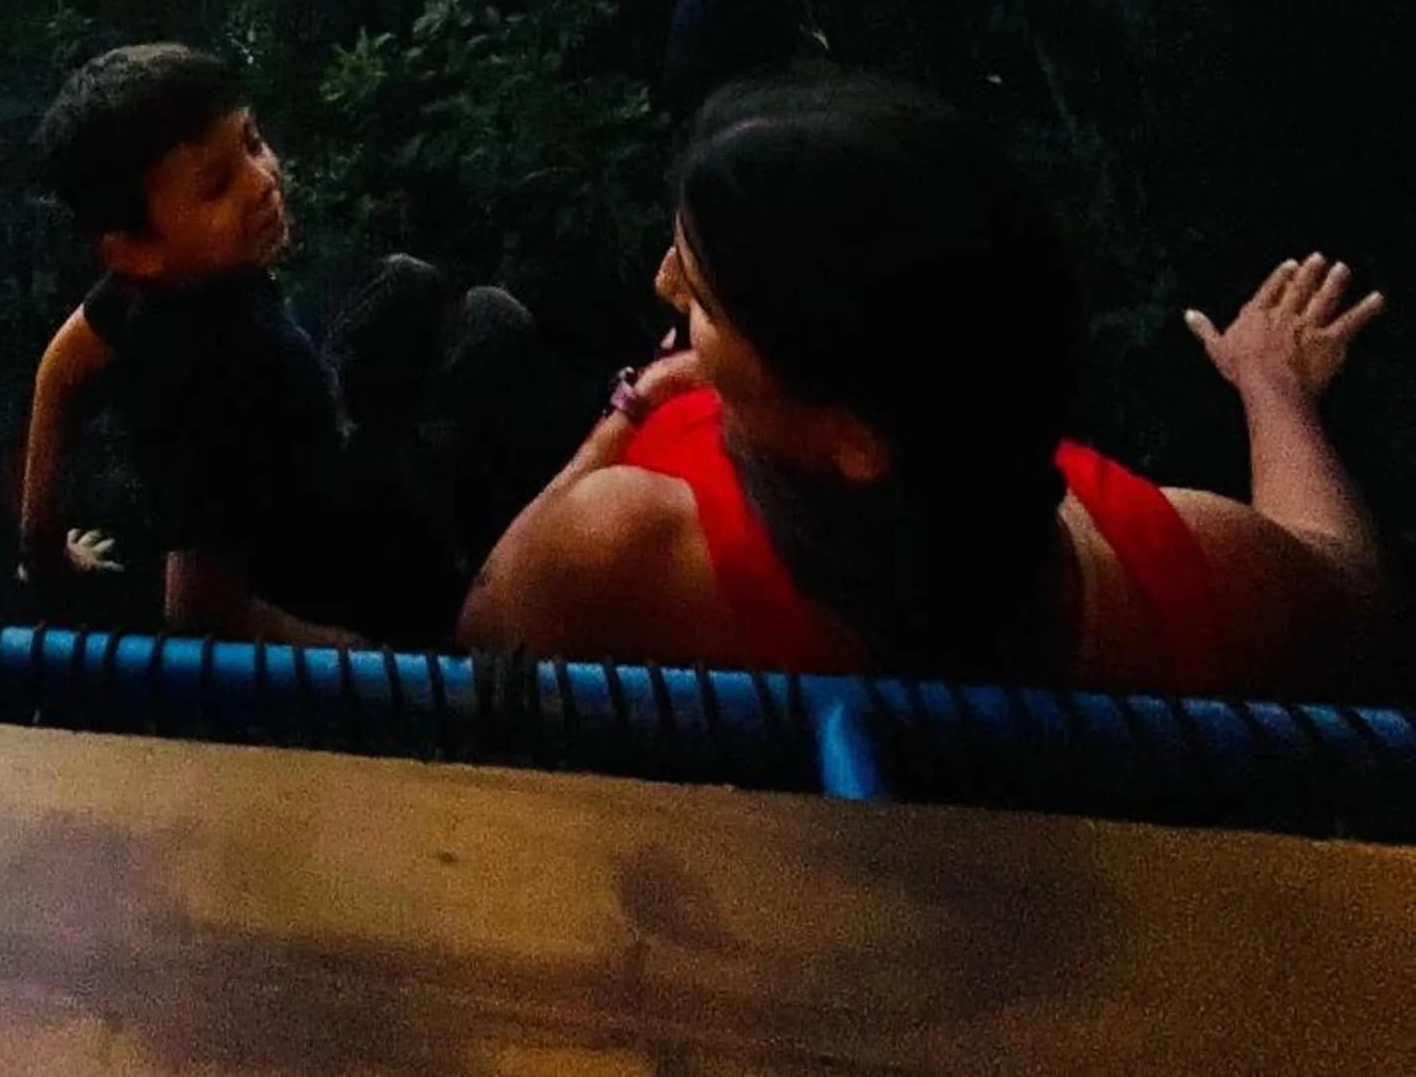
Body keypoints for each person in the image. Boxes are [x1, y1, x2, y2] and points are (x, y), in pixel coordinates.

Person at [460, 71, 1393, 695]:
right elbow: (1350, 589)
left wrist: (620, 418)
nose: (663, 282)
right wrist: (1274, 387)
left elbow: (481, 635)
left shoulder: (622, 549)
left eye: (702, 294)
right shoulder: (1182, 575)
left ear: (857, 441)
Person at [19, 44, 477, 649]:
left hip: (311, 434)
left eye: (253, 142)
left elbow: (59, 369)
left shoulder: (143, 288)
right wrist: (374, 662)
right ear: (136, 248)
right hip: (319, 562)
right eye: (217, 186)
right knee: (485, 335)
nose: (262, 181)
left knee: (407, 284)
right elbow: (198, 608)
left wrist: (42, 547)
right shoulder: (216, 387)